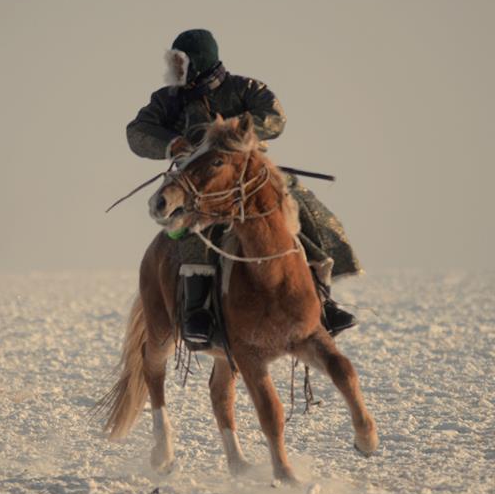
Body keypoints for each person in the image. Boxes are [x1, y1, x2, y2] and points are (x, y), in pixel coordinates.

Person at [127, 29, 358, 348]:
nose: (175, 69)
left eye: (180, 61)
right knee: (192, 228)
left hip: (251, 176)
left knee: (302, 205)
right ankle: (197, 313)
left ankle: (325, 302)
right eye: (173, 61)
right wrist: (170, 143)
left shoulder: (246, 88)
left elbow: (275, 118)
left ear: (199, 61)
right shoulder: (167, 99)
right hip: (199, 181)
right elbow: (137, 131)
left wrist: (235, 135)